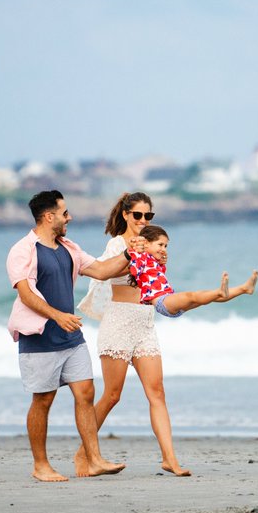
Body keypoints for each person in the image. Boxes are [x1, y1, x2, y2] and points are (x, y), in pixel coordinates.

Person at [6, 189, 133, 482]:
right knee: (43, 400)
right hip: (39, 338)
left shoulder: (69, 248)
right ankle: (41, 466)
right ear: (49, 217)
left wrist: (129, 253)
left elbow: (102, 271)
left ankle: (94, 459)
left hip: (70, 337)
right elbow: (25, 294)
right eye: (65, 213)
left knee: (85, 393)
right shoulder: (23, 250)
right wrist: (57, 315)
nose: (69, 217)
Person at [74, 192, 193, 476]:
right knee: (112, 395)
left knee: (157, 392)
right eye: (137, 215)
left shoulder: (153, 242)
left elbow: (154, 284)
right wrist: (136, 253)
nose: (142, 220)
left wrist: (159, 256)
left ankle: (170, 459)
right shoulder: (117, 244)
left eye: (148, 215)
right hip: (119, 322)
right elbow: (103, 272)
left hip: (145, 323)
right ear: (126, 215)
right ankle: (84, 454)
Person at [128, 224, 258, 317]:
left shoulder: (152, 261)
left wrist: (161, 264)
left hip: (170, 299)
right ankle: (221, 291)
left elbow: (156, 277)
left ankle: (244, 289)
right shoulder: (140, 257)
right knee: (193, 296)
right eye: (160, 245)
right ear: (146, 244)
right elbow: (135, 270)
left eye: (166, 246)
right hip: (162, 302)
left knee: (206, 298)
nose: (164, 249)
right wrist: (136, 252)